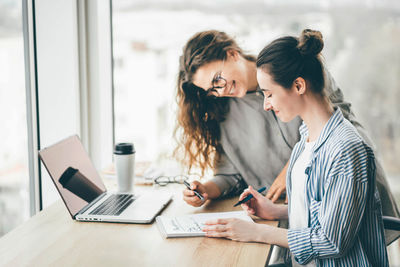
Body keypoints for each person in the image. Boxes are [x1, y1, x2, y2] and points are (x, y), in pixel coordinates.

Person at [176, 30, 399, 243]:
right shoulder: (224, 112)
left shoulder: (290, 63)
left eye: (217, 80)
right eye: (211, 90)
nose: (220, 91)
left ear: (232, 54)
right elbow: (231, 174)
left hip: (345, 202)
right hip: (295, 217)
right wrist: (206, 189)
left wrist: (292, 166)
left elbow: (340, 123)